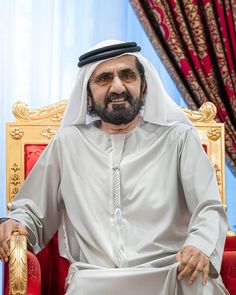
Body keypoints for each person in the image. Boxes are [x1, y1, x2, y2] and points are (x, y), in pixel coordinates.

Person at [0, 40, 229, 294]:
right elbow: (32, 211)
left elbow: (207, 207)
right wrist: (16, 222)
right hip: (95, 281)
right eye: (104, 78)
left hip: (171, 274)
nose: (118, 86)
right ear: (88, 93)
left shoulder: (178, 139)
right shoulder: (68, 144)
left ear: (143, 87)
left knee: (198, 285)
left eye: (128, 75)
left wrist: (200, 245)